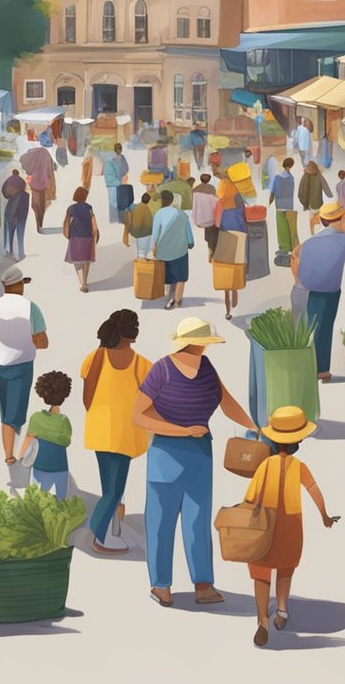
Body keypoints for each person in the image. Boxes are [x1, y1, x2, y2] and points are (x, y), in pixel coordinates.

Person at [133, 317, 258, 608]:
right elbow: (138, 416)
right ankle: (161, 585)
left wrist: (254, 426)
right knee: (161, 522)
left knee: (198, 522)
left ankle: (203, 584)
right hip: (166, 453)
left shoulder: (206, 368)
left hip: (200, 455)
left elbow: (227, 402)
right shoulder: (161, 369)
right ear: (194, 342)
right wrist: (183, 430)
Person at [246, 406, 336, 648]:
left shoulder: (265, 465)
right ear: (298, 441)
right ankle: (282, 610)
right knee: (286, 567)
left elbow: (251, 495)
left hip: (265, 521)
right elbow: (314, 490)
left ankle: (262, 619)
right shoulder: (299, 467)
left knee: (261, 571)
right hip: (291, 523)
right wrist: (324, 515)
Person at [81, 310, 151, 555]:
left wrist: (100, 414)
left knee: (108, 488)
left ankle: (112, 528)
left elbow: (86, 398)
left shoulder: (95, 356)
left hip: (99, 429)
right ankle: (99, 535)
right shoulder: (141, 364)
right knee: (115, 490)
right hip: (123, 433)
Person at [0, 267, 49, 465]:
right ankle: (9, 455)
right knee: (15, 413)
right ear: (20, 285)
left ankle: (10, 448)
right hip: (22, 364)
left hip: (0, 365)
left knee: (6, 409)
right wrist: (30, 339)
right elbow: (43, 341)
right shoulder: (31, 308)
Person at [292, 202, 345, 382]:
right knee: (323, 327)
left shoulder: (311, 241)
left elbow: (295, 255)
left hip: (311, 288)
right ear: (340, 219)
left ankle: (317, 369)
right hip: (330, 290)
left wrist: (298, 280)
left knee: (315, 327)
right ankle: (319, 369)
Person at [17, 371, 74, 501]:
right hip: (60, 467)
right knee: (61, 501)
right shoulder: (64, 421)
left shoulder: (36, 418)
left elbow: (28, 439)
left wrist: (20, 458)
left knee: (35, 500)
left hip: (39, 466)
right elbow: (66, 441)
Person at [151, 190, 194, 311]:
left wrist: (154, 247)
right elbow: (189, 235)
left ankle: (169, 297)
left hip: (164, 250)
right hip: (180, 250)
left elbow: (155, 233)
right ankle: (178, 299)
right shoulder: (183, 216)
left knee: (168, 276)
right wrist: (190, 243)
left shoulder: (159, 214)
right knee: (180, 276)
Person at [214, 168, 248, 320]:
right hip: (238, 233)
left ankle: (227, 309)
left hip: (224, 233)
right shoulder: (237, 194)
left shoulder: (220, 194)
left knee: (224, 268)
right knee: (236, 266)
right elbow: (242, 215)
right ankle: (235, 293)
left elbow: (216, 219)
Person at [63, 187, 99, 293]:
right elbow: (94, 222)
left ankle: (80, 280)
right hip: (87, 236)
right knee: (86, 260)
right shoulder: (89, 208)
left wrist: (67, 234)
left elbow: (66, 222)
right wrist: (95, 233)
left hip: (75, 236)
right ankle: (84, 282)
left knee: (76, 258)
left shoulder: (71, 208)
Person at [21, 144, 57, 233]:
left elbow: (22, 160)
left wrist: (29, 170)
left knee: (35, 204)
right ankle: (40, 224)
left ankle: (38, 224)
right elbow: (54, 166)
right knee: (41, 205)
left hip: (35, 183)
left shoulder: (32, 154)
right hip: (44, 183)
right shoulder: (45, 153)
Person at [269, 157, 299, 262]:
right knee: (289, 226)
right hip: (289, 205)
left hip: (280, 205)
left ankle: (283, 247)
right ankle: (291, 247)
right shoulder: (291, 178)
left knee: (281, 227)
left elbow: (275, 191)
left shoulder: (278, 177)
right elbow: (292, 191)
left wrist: (271, 201)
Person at [297, 162, 332, 235]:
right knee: (318, 219)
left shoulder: (305, 175)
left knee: (312, 219)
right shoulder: (318, 174)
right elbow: (325, 186)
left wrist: (302, 199)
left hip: (310, 203)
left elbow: (302, 188)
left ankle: (313, 234)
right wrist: (330, 196)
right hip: (318, 202)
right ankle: (318, 233)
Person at [1, 169, 30, 260]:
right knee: (20, 233)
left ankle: (9, 250)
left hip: (12, 212)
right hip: (22, 213)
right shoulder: (24, 191)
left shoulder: (8, 181)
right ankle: (20, 253)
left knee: (9, 231)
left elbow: (4, 193)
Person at [191, 173, 219, 259]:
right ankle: (212, 249)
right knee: (214, 226)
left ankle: (210, 247)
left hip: (198, 219)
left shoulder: (195, 190)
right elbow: (215, 204)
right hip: (209, 219)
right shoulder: (211, 189)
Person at [103, 144, 128, 226]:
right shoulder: (110, 161)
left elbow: (126, 168)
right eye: (117, 149)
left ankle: (120, 220)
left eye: (120, 149)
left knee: (120, 202)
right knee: (113, 202)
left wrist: (123, 177)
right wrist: (119, 181)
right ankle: (114, 221)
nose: (119, 151)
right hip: (113, 185)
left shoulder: (122, 158)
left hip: (120, 184)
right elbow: (108, 175)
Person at [126, 192, 155, 259]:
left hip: (133, 232)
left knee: (140, 251)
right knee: (143, 252)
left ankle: (140, 263)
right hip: (144, 234)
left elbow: (129, 209)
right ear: (149, 201)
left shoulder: (135, 206)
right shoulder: (147, 209)